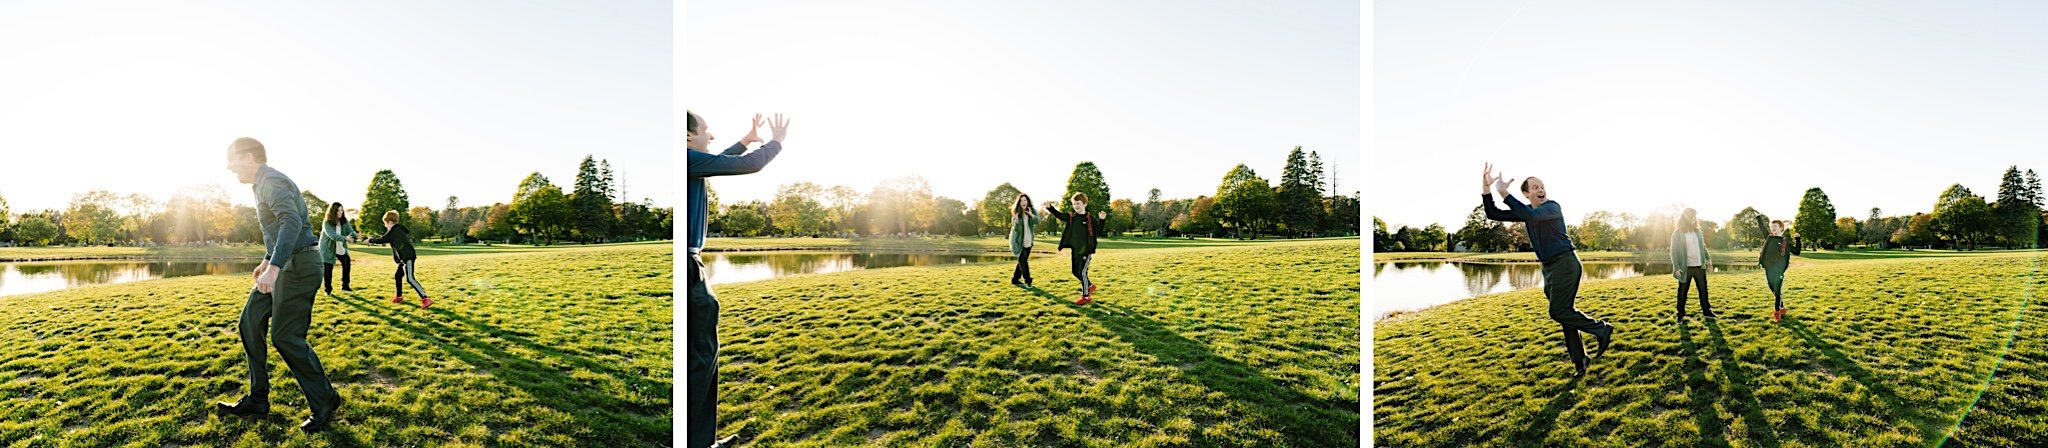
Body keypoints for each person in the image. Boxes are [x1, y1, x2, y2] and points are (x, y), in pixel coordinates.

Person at [214, 137, 342, 433]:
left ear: (248, 157)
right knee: (249, 322)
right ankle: (257, 399)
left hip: (299, 267)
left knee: (286, 337)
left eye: (232, 160)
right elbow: (278, 231)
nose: (229, 168)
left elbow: (291, 223)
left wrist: (274, 267)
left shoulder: (271, 181)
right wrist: (267, 259)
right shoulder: (261, 185)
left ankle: (325, 400)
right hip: (284, 262)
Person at [687, 111, 785, 448]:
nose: (710, 136)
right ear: (686, 136)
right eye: (706, 130)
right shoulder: (684, 158)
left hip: (688, 266)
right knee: (701, 356)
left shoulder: (688, 162)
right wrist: (776, 142)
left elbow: (719, 159)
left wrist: (745, 141)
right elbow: (749, 165)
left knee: (699, 356)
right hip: (689, 270)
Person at [1479, 163, 1615, 378]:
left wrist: (1504, 192)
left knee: (1558, 311)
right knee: (1565, 313)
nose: (1540, 190)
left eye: (1542, 186)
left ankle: (1602, 329)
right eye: (1534, 187)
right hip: (1549, 268)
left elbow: (1531, 216)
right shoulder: (1527, 212)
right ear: (1525, 193)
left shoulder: (1552, 207)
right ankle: (1580, 360)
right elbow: (1492, 213)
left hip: (1566, 264)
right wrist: (1487, 188)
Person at [1044, 193, 1108, 305]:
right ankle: (1090, 286)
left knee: (1082, 272)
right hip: (1075, 250)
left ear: (1084, 204)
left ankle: (1086, 296)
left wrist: (1102, 220)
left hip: (1086, 250)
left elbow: (1099, 231)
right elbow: (1059, 215)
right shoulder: (1071, 217)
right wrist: (1050, 208)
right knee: (1075, 272)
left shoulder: (1090, 218)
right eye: (1074, 204)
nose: (1075, 206)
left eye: (1078, 203)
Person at [363, 210, 429, 308]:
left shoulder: (394, 230)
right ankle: (399, 297)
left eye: (385, 223)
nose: (385, 226)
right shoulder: (397, 230)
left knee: (410, 278)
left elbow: (382, 239)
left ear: (390, 222)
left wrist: (370, 240)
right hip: (403, 259)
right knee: (398, 276)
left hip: (407, 258)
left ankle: (425, 299)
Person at [1669, 208, 1715, 320]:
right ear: (1687, 218)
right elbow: (1673, 252)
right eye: (1693, 216)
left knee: (1703, 290)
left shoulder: (1698, 232)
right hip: (1686, 268)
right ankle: (1680, 315)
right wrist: (1677, 268)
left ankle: (1707, 312)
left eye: (1695, 216)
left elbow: (1703, 247)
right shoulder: (1677, 233)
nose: (1695, 219)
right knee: (1682, 292)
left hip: (1699, 266)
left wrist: (1708, 260)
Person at [1756, 217, 1800, 322]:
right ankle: (1782, 307)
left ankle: (1777, 312)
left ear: (1781, 228)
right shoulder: (1769, 238)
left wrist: (1798, 239)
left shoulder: (1785, 242)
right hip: (1768, 268)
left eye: (1775, 226)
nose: (1772, 228)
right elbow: (1762, 227)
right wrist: (1758, 217)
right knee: (1772, 288)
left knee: (1777, 289)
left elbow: (1797, 251)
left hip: (1779, 270)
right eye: (1771, 227)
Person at [320, 203, 356, 295]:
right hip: (328, 248)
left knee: (346, 263)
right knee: (328, 268)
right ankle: (327, 290)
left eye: (341, 210)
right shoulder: (327, 222)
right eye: (338, 210)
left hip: (340, 247)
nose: (340, 212)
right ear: (333, 211)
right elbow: (332, 235)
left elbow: (350, 230)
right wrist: (345, 238)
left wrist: (355, 235)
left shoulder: (344, 221)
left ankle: (345, 287)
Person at [1009, 193, 1039, 286]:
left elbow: (1038, 221)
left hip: (1029, 241)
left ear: (1028, 201)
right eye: (1021, 200)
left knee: (1021, 261)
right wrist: (1016, 222)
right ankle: (1028, 280)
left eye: (1025, 200)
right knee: (1023, 261)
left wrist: (1031, 215)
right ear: (1019, 203)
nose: (1023, 202)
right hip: (1019, 242)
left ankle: (1015, 279)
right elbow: (1017, 231)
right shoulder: (1015, 213)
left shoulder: (1032, 210)